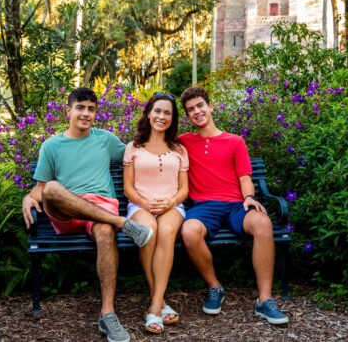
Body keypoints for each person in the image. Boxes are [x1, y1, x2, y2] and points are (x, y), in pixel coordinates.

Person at [21, 87, 153, 342]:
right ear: (68, 110)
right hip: (66, 212)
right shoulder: (51, 145)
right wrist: (28, 197)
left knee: (105, 231)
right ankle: (122, 223)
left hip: (101, 210)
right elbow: (41, 189)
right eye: (80, 107)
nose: (86, 113)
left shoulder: (105, 139)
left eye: (91, 109)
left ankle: (108, 314)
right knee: (52, 187)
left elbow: (138, 153)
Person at [178, 86, 289, 325]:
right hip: (204, 207)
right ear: (187, 116)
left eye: (200, 106)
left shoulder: (235, 141)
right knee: (189, 231)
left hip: (235, 205)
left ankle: (265, 300)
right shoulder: (183, 143)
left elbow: (244, 178)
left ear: (210, 106)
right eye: (190, 110)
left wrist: (249, 197)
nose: (196, 112)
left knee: (262, 222)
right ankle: (215, 286)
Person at [122, 92, 189, 334]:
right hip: (140, 206)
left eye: (167, 113)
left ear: (173, 118)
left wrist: (170, 202)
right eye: (157, 111)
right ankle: (159, 301)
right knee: (149, 231)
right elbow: (127, 187)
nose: (162, 116)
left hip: (172, 206)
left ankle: (154, 305)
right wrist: (145, 203)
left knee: (167, 230)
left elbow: (184, 189)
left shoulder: (179, 149)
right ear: (149, 113)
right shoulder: (134, 147)